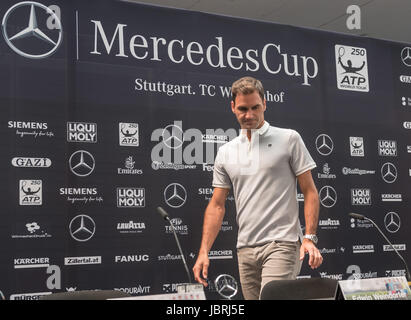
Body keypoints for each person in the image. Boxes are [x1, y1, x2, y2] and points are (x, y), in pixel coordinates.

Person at [192, 76, 323, 300]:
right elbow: (216, 205)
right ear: (232, 107)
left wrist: (309, 237)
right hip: (245, 249)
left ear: (265, 103)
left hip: (282, 244)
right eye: (243, 109)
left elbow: (309, 191)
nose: (249, 115)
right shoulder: (226, 151)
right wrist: (204, 251)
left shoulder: (289, 139)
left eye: (255, 107)